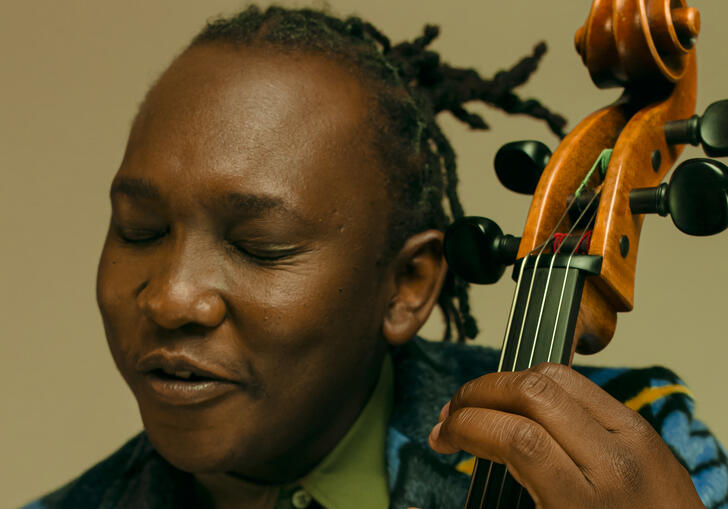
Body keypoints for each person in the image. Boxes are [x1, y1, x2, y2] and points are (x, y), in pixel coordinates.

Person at [22, 5, 728, 509]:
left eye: (258, 246)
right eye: (139, 229)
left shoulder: (632, 450)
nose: (172, 296)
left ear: (407, 286)